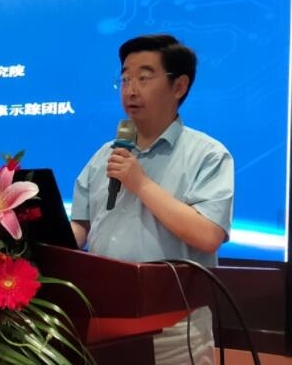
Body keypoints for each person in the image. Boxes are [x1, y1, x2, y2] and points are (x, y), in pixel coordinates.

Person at [70, 34, 233, 365]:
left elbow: (208, 235)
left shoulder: (208, 154)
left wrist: (141, 184)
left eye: (144, 78)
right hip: (101, 320)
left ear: (179, 86)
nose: (131, 90)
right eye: (125, 79)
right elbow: (81, 226)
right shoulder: (105, 154)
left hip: (174, 331)